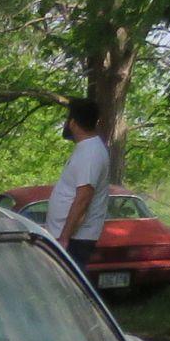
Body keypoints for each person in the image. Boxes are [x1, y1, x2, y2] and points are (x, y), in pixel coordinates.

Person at [45, 97, 112, 271]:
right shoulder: (86, 148)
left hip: (76, 239)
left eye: (67, 119)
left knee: (66, 285)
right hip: (69, 236)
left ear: (73, 123)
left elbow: (84, 198)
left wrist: (65, 237)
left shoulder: (90, 153)